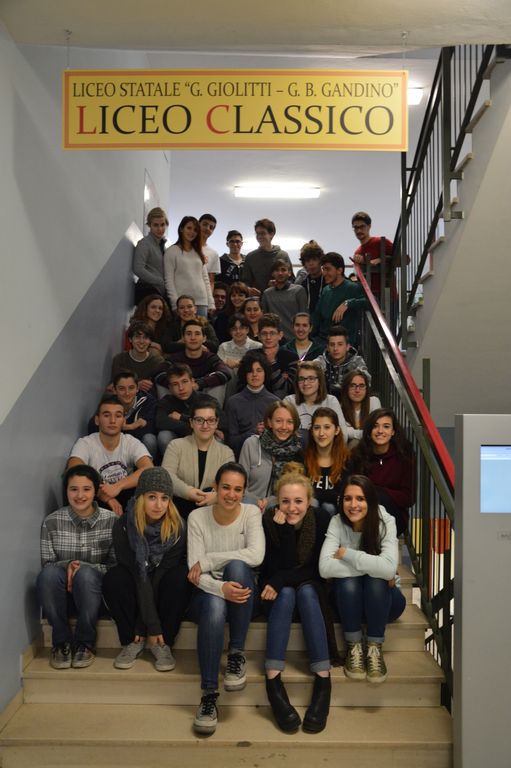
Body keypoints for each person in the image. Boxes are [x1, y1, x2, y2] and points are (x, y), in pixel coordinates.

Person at [187, 462, 265, 735]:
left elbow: (256, 555)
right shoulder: (197, 518)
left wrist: (209, 560)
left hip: (243, 592)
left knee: (238, 567)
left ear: (244, 492)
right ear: (215, 488)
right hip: (207, 593)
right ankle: (209, 695)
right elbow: (194, 572)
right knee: (214, 603)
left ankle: (236, 653)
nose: (231, 495)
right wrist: (220, 588)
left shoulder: (251, 513)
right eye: (226, 488)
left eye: (238, 489)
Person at [261, 466, 332, 733]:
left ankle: (323, 680)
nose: (291, 508)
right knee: (289, 591)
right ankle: (273, 679)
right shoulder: (269, 520)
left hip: (309, 592)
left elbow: (315, 569)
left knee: (306, 590)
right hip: (277, 594)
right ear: (277, 502)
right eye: (285, 501)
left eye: (298, 501)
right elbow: (276, 567)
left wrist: (281, 579)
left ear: (309, 501)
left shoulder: (321, 518)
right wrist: (286, 531)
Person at [319, 474, 406, 683]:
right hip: (349, 603)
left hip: (386, 603)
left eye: (360, 498)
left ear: (371, 500)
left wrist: (348, 554)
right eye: (348, 498)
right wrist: (377, 567)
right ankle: (354, 647)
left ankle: (375, 648)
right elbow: (324, 568)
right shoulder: (336, 522)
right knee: (350, 583)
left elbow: (388, 570)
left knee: (376, 582)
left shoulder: (386, 521)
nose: (353, 505)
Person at [102, 467, 190, 672]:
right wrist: (146, 625)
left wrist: (150, 626)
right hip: (136, 582)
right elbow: (138, 575)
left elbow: (158, 576)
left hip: (161, 584)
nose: (159, 505)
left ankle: (163, 642)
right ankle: (131, 640)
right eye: (152, 497)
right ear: (140, 497)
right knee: (115, 578)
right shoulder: (123, 526)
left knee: (179, 578)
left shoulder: (178, 527)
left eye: (164, 498)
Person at [37, 465, 116, 670]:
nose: (80, 495)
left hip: (95, 594)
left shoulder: (112, 521)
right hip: (62, 593)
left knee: (86, 575)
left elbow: (115, 567)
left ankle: (85, 643)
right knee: (47, 575)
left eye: (86, 489)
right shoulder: (51, 522)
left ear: (96, 491)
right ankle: (61, 641)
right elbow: (48, 564)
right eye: (73, 489)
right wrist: (68, 565)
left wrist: (83, 567)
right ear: (66, 491)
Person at [68, 395, 153, 516]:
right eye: (106, 415)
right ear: (97, 420)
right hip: (97, 496)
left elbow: (149, 469)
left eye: (118, 416)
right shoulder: (85, 443)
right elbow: (73, 470)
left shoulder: (130, 442)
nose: (112, 421)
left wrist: (118, 486)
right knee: (82, 490)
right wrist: (106, 496)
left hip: (125, 493)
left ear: (123, 421)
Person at [162, 397, 234, 518]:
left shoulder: (226, 453)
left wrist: (216, 496)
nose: (205, 425)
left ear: (217, 423)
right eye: (199, 420)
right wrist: (188, 492)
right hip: (178, 511)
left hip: (212, 514)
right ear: (191, 422)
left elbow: (230, 485)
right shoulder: (175, 446)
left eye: (211, 420)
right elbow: (166, 476)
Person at [349, 408, 416, 536]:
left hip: (394, 516)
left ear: (393, 431)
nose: (380, 431)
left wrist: (379, 492)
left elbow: (408, 498)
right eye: (375, 426)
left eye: (386, 426)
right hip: (363, 513)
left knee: (378, 497)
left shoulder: (405, 456)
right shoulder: (358, 454)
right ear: (369, 431)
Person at [239, 400, 302, 511]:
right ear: (269, 422)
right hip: (250, 504)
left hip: (282, 507)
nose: (284, 427)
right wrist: (257, 501)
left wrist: (269, 501)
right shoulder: (251, 444)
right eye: (278, 421)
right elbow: (240, 485)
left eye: (289, 422)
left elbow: (295, 491)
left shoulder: (298, 451)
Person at [89, 371, 158, 462]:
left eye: (131, 388)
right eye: (122, 389)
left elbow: (151, 429)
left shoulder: (148, 401)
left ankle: (146, 468)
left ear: (137, 388)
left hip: (139, 447)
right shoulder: (109, 403)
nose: (127, 393)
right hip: (116, 446)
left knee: (149, 439)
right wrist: (131, 426)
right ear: (114, 390)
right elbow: (93, 425)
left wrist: (119, 428)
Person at [225, 350, 279, 458]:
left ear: (265, 373)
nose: (255, 375)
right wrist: (253, 432)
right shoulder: (233, 402)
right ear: (244, 374)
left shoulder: (275, 403)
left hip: (270, 457)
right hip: (241, 457)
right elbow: (231, 442)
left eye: (259, 370)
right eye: (250, 371)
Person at [166, 319, 231, 404]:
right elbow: (159, 373)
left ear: (204, 338)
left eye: (197, 334)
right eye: (189, 334)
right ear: (183, 338)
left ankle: (213, 411)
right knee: (164, 383)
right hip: (179, 395)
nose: (193, 338)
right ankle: (168, 411)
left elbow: (225, 373)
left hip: (205, 398)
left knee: (219, 384)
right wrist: (184, 385)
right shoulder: (175, 358)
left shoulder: (211, 358)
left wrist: (199, 384)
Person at [312, 252, 367, 351]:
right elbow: (317, 316)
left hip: (342, 345)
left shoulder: (352, 287)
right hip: (322, 341)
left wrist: (348, 303)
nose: (324, 273)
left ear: (339, 270)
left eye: (327, 269)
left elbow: (371, 302)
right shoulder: (326, 290)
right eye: (323, 269)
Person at [284, 360, 348, 443]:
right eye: (301, 379)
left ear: (320, 382)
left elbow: (343, 436)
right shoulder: (289, 401)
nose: (305, 383)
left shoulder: (331, 401)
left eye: (311, 378)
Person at [164, 215, 214, 316]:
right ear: (181, 229)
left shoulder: (198, 252)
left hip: (201, 302)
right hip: (182, 303)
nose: (192, 232)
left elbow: (205, 279)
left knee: (201, 327)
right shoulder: (171, 251)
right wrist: (174, 304)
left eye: (195, 230)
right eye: (189, 228)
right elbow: (169, 280)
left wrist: (211, 302)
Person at [304, 408, 350, 516]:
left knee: (328, 506)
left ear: (337, 430)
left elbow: (344, 496)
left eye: (327, 427)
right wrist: (330, 495)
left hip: (336, 517)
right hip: (308, 515)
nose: (321, 433)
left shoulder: (347, 460)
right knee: (313, 503)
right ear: (312, 431)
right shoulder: (302, 457)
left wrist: (317, 494)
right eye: (316, 428)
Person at [314, 325, 370, 398]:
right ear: (327, 347)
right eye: (332, 345)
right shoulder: (322, 360)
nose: (335, 348)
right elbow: (313, 366)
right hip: (325, 401)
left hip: (350, 400)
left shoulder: (356, 361)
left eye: (340, 344)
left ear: (347, 347)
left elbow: (366, 381)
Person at [351, 211, 394, 303]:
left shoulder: (381, 242)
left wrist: (381, 259)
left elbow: (404, 259)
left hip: (388, 298)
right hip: (368, 300)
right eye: (356, 227)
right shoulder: (357, 252)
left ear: (369, 226)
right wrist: (360, 264)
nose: (359, 230)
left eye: (362, 226)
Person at [111, 321, 165, 393]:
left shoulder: (157, 361)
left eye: (145, 338)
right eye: (137, 337)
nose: (141, 341)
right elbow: (115, 386)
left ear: (150, 341)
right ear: (130, 339)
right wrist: (135, 385)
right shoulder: (120, 360)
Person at [243, 218, 293, 295]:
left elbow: (291, 279)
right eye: (257, 233)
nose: (259, 236)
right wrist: (248, 289)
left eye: (263, 233)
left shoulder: (283, 255)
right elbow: (245, 282)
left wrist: (280, 283)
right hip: (257, 300)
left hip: (279, 298)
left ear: (271, 234)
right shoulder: (250, 257)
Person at [261, 258, 308, 341]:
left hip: (295, 339)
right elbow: (265, 319)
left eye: (283, 270)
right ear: (272, 273)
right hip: (273, 339)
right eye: (277, 270)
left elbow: (304, 317)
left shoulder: (299, 291)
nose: (280, 273)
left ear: (289, 273)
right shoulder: (267, 294)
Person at [132, 207, 169, 303]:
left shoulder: (163, 246)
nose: (160, 229)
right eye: (156, 225)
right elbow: (138, 269)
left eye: (162, 225)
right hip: (148, 292)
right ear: (149, 225)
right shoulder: (144, 243)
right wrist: (160, 281)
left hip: (159, 293)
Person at [259, 314, 298, 398]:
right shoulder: (252, 356)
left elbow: (287, 389)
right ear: (259, 336)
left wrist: (272, 362)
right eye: (264, 333)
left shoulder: (292, 358)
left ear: (280, 335)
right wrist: (280, 377)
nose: (268, 337)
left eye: (272, 333)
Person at [340, 369, 382, 447]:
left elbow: (375, 429)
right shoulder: (339, 407)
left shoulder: (374, 402)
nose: (357, 390)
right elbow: (342, 432)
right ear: (346, 388)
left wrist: (351, 432)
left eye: (361, 386)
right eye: (352, 386)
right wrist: (364, 433)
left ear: (366, 388)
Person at [294, 240, 325, 313]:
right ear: (304, 264)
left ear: (320, 261)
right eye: (308, 261)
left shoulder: (329, 281)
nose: (311, 264)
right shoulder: (302, 284)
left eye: (314, 260)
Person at [199, 213, 221, 289]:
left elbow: (211, 282)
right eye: (205, 224)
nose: (207, 228)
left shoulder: (214, 254)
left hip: (202, 293)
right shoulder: (186, 247)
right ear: (198, 225)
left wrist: (210, 296)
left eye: (211, 227)